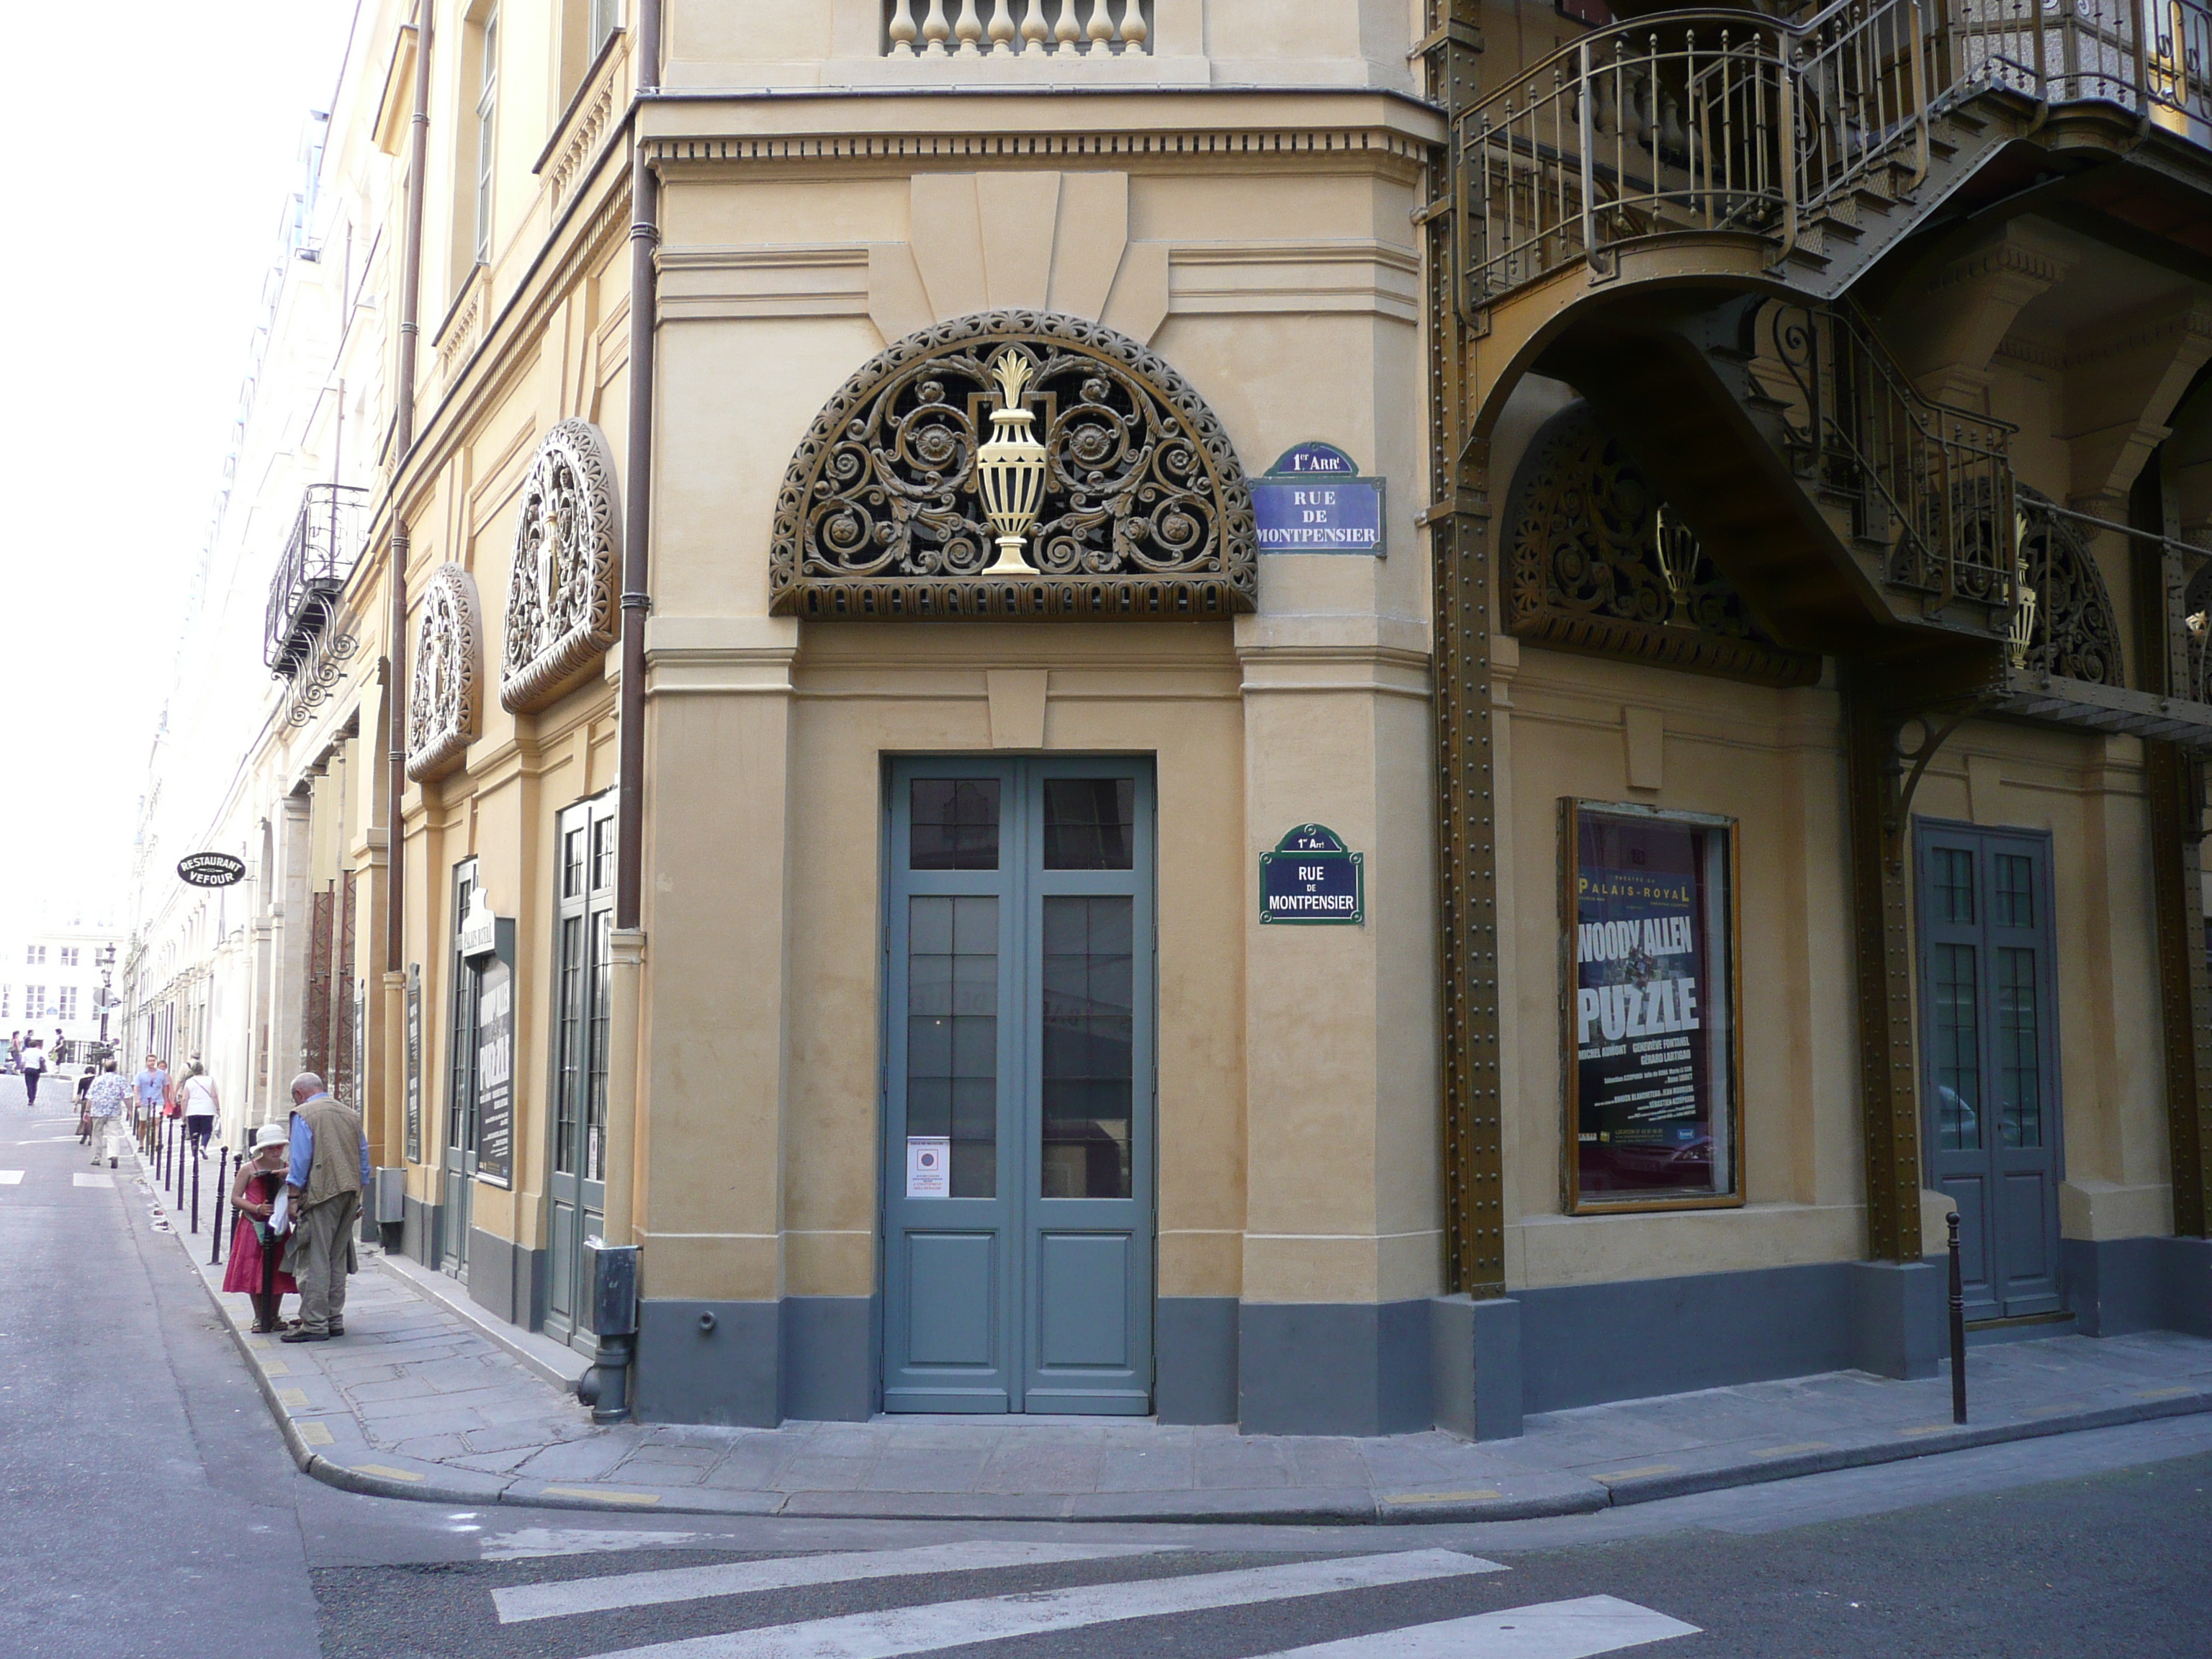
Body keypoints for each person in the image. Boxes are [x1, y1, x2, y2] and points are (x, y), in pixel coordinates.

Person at [279, 1073, 369, 1344]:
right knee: (336, 1258)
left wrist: (293, 1196)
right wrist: (360, 1191)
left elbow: (300, 1158)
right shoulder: (350, 1114)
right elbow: (363, 1155)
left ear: (298, 1094)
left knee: (314, 1258)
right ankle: (333, 1318)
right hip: (350, 1191)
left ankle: (315, 1323)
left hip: (321, 1192)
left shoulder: (304, 1113)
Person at [225, 1125, 299, 1334]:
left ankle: (274, 1314)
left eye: (279, 1147)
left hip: (278, 1225)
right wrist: (256, 1208)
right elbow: (236, 1198)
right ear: (262, 1150)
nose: (276, 1151)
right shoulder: (249, 1169)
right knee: (254, 1270)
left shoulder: (287, 1167)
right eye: (271, 1148)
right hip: (252, 1225)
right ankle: (260, 1316)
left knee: (278, 1270)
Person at [84, 1061, 128, 1169]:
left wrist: (87, 1111)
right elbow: (127, 1097)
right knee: (113, 1134)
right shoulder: (121, 1080)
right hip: (114, 1111)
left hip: (98, 1111)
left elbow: (90, 1097)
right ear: (116, 1068)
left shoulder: (98, 1080)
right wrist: (130, 1110)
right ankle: (114, 1155)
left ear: (104, 1068)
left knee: (97, 1134)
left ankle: (96, 1158)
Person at [178, 1058, 218, 1153]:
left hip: (192, 1110)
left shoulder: (189, 1082)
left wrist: (183, 1114)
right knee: (207, 1131)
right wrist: (218, 1109)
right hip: (207, 1110)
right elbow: (214, 1096)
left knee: (194, 1132)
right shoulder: (210, 1080)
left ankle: (194, 1152)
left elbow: (184, 1099)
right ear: (202, 1070)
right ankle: (203, 1146)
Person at [134, 1054, 167, 1130]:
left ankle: (155, 1141)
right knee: (143, 1123)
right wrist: (137, 1100)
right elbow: (136, 1087)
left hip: (158, 1100)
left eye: (153, 1061)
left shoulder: (162, 1074)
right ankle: (142, 1141)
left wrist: (166, 1100)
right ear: (146, 1062)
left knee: (156, 1122)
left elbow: (165, 1087)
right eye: (150, 1061)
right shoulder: (141, 1074)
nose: (152, 1063)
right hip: (144, 1101)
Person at [19, 1038, 47, 1109]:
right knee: (35, 1084)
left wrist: (21, 1069)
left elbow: (23, 1062)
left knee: (29, 1085)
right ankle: (33, 1097)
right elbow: (43, 1059)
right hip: (36, 1069)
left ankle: (30, 1099)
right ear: (36, 1045)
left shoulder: (26, 1052)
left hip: (28, 1069)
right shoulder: (39, 1052)